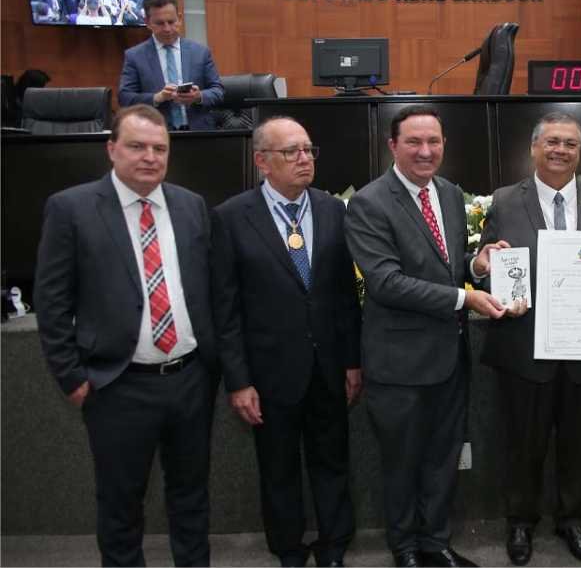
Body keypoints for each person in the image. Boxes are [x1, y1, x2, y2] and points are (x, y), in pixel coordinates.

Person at [33, 104, 217, 567]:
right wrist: (72, 378)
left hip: (190, 380)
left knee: (192, 499)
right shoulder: (70, 209)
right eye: (137, 146)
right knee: (121, 507)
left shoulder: (191, 205)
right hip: (116, 384)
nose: (149, 157)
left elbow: (207, 289)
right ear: (111, 148)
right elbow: (52, 303)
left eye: (160, 148)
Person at [475, 112, 581, 566]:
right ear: (533, 148)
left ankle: (572, 520)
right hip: (523, 347)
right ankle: (520, 522)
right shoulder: (505, 200)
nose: (560, 151)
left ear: (580, 152)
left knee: (579, 443)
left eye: (570, 144)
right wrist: (481, 264)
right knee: (522, 444)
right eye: (551, 142)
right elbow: (483, 260)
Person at [345, 104, 507, 568]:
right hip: (398, 364)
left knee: (442, 459)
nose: (425, 151)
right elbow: (387, 282)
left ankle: (435, 543)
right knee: (402, 463)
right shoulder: (370, 203)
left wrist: (477, 266)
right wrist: (466, 298)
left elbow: (448, 266)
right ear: (392, 145)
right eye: (413, 142)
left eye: (433, 141)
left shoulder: (452, 195)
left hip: (448, 358)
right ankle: (406, 549)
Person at [211, 116, 361, 568]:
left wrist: (353, 361)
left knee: (332, 461)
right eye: (291, 151)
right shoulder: (232, 218)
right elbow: (225, 308)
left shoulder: (334, 210)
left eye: (309, 150)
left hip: (330, 366)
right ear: (261, 161)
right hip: (269, 372)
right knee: (278, 470)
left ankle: (334, 546)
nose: (304, 159)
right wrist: (238, 381)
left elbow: (344, 297)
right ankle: (289, 550)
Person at [118, 0, 223, 131]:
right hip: (154, 134)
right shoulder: (135, 56)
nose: (167, 29)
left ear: (179, 19)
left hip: (198, 134)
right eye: (160, 23)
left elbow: (218, 91)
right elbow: (125, 98)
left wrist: (198, 96)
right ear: (147, 23)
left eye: (171, 22)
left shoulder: (200, 52)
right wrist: (157, 98)